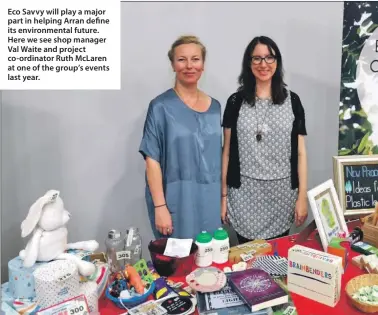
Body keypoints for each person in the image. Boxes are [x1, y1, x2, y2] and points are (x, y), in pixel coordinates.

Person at [221, 36, 308, 244]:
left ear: (277, 62)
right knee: (247, 262)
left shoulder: (292, 101)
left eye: (269, 58)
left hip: (282, 196)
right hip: (244, 196)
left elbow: (301, 153)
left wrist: (302, 196)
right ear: (248, 63)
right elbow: (226, 152)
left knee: (276, 261)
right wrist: (223, 197)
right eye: (257, 59)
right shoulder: (235, 102)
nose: (263, 64)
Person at [139, 35, 222, 240]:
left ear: (203, 64)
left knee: (209, 262)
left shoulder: (216, 108)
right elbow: (152, 160)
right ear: (173, 64)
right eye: (182, 59)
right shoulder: (160, 107)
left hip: (210, 201)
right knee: (178, 263)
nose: (189, 66)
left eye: (195, 59)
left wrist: (223, 200)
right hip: (176, 201)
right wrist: (160, 207)